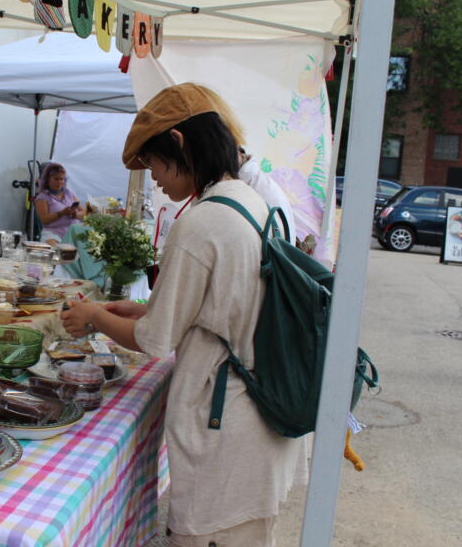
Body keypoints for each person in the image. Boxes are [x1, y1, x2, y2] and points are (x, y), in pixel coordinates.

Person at [61, 83, 305, 546]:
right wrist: (142, 308)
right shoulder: (246, 198)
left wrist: (94, 316)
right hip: (256, 419)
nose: (153, 178)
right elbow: (219, 304)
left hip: (227, 426)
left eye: (153, 162)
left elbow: (155, 340)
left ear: (178, 141)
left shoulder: (202, 221)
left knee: (210, 536)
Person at [34, 162, 85, 245]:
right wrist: (61, 213)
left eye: (62, 179)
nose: (59, 182)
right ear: (48, 180)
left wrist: (75, 214)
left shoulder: (69, 194)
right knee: (56, 249)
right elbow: (44, 220)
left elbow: (84, 213)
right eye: (56, 179)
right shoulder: (42, 197)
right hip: (53, 234)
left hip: (73, 232)